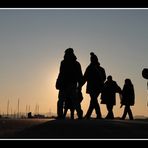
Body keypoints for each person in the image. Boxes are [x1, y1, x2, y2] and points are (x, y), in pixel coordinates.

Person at [55, 48, 83, 119]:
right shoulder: (76, 63)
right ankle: (79, 115)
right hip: (70, 84)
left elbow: (61, 74)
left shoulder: (64, 62)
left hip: (66, 84)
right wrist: (79, 86)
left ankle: (60, 115)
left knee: (61, 100)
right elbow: (80, 76)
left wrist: (58, 82)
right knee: (75, 101)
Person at [82, 52, 106, 119]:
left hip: (92, 87)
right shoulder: (101, 69)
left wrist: (80, 85)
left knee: (94, 100)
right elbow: (104, 78)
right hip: (99, 87)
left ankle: (98, 115)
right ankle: (88, 115)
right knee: (93, 100)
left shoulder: (89, 68)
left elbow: (85, 77)